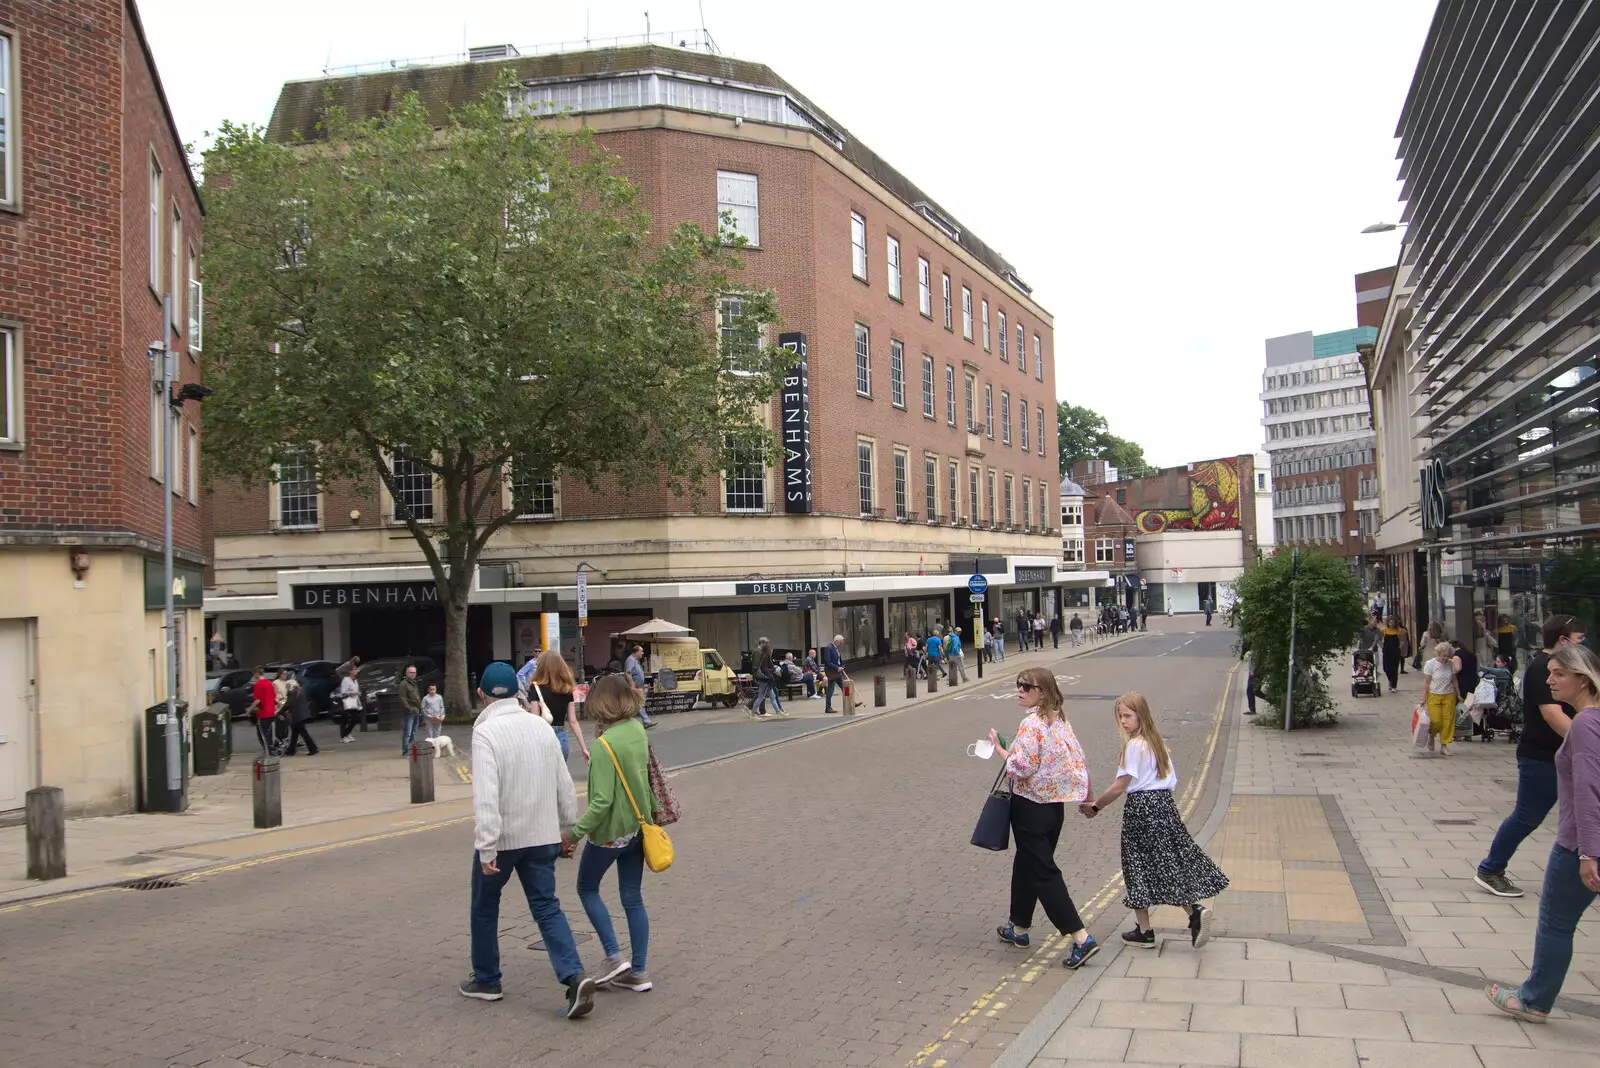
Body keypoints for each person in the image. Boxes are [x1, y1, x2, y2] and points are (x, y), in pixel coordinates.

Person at [462, 662, 595, 1018]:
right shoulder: (541, 727)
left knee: (485, 907)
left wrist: (487, 846)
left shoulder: (486, 733)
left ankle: (488, 980)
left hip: (504, 840)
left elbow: (487, 796)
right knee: (547, 906)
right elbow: (564, 785)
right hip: (541, 836)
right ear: (520, 693)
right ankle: (573, 976)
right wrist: (568, 831)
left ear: (481, 695)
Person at [1485, 642, 1600, 1023]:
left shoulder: (1585, 724)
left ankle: (1534, 1000)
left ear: (1582, 680)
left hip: (1578, 845)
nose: (1549, 680)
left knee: (1555, 923)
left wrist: (1587, 853)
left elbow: (1588, 791)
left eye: (1558, 674)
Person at [1083, 692, 1229, 948]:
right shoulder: (1156, 742)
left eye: (1128, 715)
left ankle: (1148, 929)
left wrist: (1095, 806)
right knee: (1167, 862)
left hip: (1141, 808)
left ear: (1142, 715)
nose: (1123, 721)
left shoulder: (1134, 745)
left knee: (1136, 865)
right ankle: (1190, 913)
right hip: (1164, 805)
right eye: (1120, 716)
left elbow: (1120, 786)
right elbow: (1171, 781)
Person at [986, 667, 1100, 970]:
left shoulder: (1031, 723)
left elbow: (1021, 767)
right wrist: (1087, 795)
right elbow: (1078, 758)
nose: (1020, 690)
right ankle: (1018, 928)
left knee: (1043, 871)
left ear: (1043, 692)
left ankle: (1081, 938)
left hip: (1030, 807)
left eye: (1027, 687)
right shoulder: (1059, 720)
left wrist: (1001, 750)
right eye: (1018, 685)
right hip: (1053, 809)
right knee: (1028, 864)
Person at [1476, 614, 1588, 897]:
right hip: (1542, 756)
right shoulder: (1543, 668)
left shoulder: (1567, 667)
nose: (1583, 645)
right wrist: (1589, 742)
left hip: (1564, 755)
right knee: (1527, 816)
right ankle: (1490, 869)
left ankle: (1585, 872)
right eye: (1579, 640)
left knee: (1585, 814)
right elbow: (1552, 714)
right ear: (1562, 641)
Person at [563, 674, 658, 997]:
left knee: (586, 887)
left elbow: (601, 801)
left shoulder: (604, 746)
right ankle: (640, 971)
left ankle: (614, 955)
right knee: (632, 897)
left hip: (610, 833)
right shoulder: (636, 731)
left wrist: (574, 834)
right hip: (638, 826)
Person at [1421, 641, 1461, 756]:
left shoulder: (1450, 663)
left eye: (1448, 656)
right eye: (1444, 655)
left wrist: (1458, 693)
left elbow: (1454, 679)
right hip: (1434, 695)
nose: (1446, 658)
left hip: (1449, 695)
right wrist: (1423, 698)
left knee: (1448, 722)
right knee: (1436, 721)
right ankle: (1431, 737)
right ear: (1438, 653)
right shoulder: (1430, 664)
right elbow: (1426, 683)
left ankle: (1444, 745)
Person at [282, 676, 320, 756]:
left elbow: (289, 704)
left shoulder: (292, 692)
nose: (286, 688)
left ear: (290, 685)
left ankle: (313, 748)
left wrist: (280, 710)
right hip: (302, 714)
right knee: (295, 733)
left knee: (303, 733)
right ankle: (291, 750)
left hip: (297, 715)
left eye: (287, 686)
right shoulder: (300, 690)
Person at [621, 645, 656, 728]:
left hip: (637, 686)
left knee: (636, 704)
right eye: (641, 651)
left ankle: (630, 722)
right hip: (634, 686)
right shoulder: (630, 660)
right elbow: (627, 673)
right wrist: (632, 686)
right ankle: (645, 721)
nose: (642, 653)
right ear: (636, 652)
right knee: (637, 703)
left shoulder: (635, 660)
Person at [750, 637, 786, 718]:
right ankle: (753, 713)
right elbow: (758, 666)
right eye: (766, 643)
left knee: (771, 695)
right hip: (763, 677)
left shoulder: (763, 653)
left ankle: (778, 711)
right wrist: (764, 675)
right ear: (762, 643)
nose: (768, 645)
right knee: (761, 696)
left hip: (765, 677)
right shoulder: (758, 652)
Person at [248, 667, 279, 754]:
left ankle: (268, 750)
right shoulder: (269, 683)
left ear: (257, 674)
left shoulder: (258, 684)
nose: (253, 676)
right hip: (271, 711)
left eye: (254, 674)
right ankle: (271, 748)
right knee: (269, 732)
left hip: (263, 713)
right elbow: (274, 697)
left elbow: (257, 700)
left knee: (262, 733)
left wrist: (249, 709)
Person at [822, 635, 848, 714]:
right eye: (840, 642)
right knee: (831, 689)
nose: (841, 644)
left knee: (844, 687)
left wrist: (842, 666)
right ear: (837, 641)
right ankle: (828, 707)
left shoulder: (837, 649)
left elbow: (839, 660)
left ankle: (851, 702)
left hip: (837, 671)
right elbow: (828, 662)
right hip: (831, 671)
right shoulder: (829, 648)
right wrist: (837, 668)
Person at [399, 664, 422, 756]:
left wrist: (420, 709)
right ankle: (405, 752)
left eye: (414, 672)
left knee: (414, 732)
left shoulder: (414, 683)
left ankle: (412, 750)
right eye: (411, 672)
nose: (413, 674)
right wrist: (409, 708)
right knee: (407, 732)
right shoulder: (403, 684)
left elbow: (417, 697)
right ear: (407, 673)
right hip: (409, 712)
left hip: (416, 710)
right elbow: (402, 698)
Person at [1379, 616, 1405, 693]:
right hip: (1386, 650)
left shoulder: (1399, 631)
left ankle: (1393, 686)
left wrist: (1400, 647)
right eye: (1390, 622)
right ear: (1388, 623)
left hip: (1395, 651)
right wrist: (1382, 646)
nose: (1391, 624)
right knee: (1386, 667)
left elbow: (1402, 640)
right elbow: (1379, 639)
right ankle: (1390, 680)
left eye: (1393, 622)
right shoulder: (1384, 630)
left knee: (1394, 668)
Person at [337, 668, 362, 743]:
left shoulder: (355, 680)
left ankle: (347, 733)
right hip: (347, 701)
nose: (356, 671)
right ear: (349, 671)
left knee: (355, 719)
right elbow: (343, 692)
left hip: (354, 702)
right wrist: (353, 693)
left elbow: (356, 690)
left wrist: (358, 694)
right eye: (354, 669)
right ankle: (343, 736)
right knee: (345, 719)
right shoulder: (346, 680)